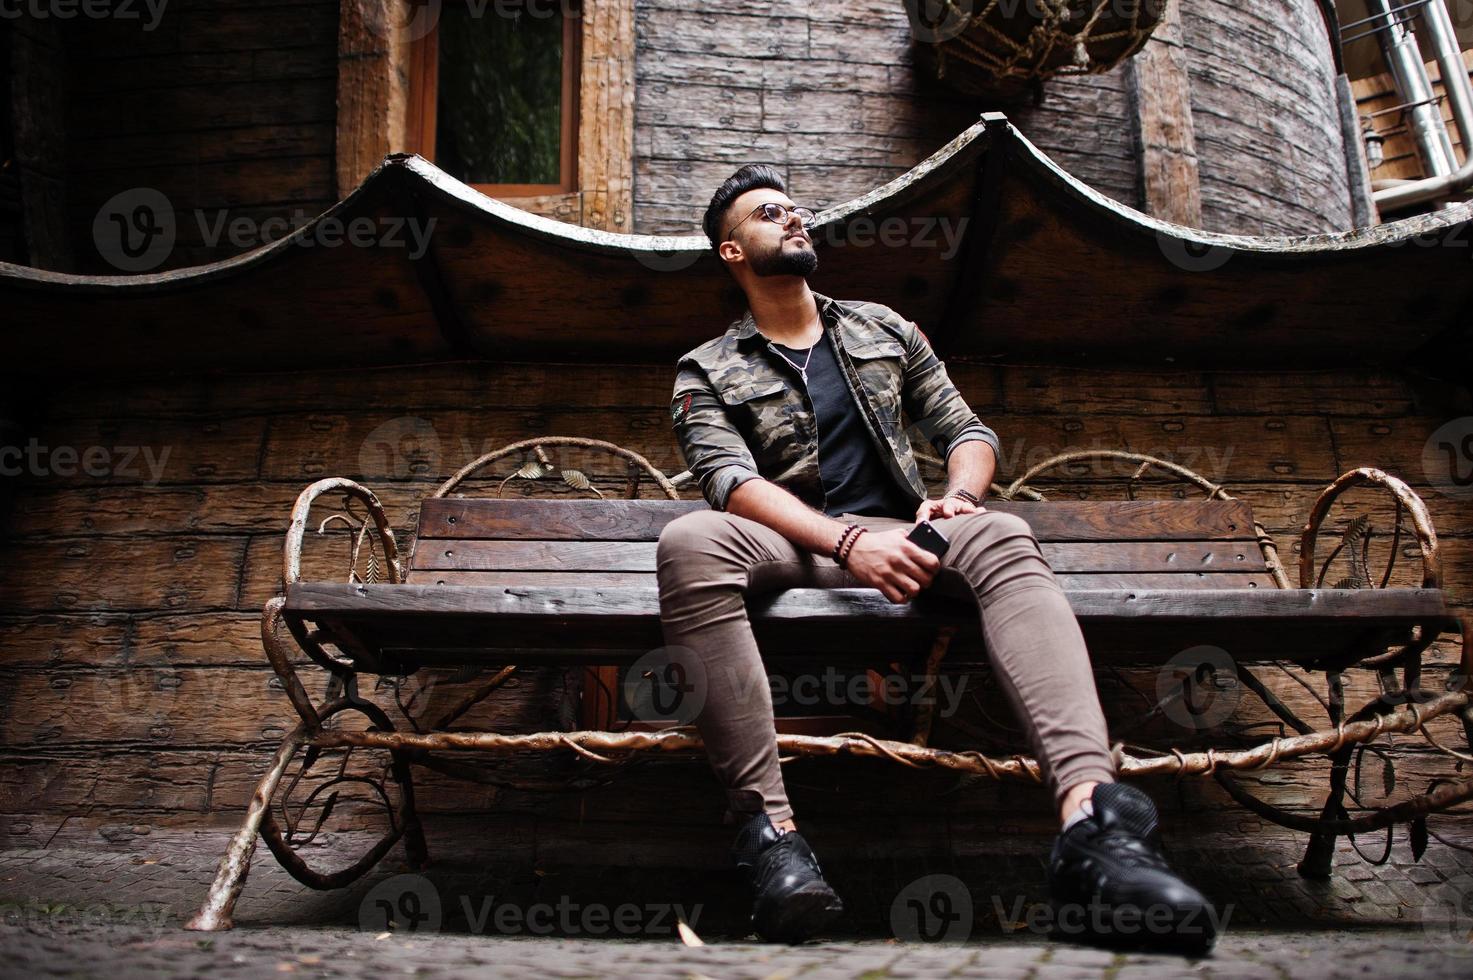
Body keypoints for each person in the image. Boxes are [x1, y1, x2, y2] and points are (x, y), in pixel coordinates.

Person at [657, 164, 1217, 952]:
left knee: (1000, 533)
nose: (793, 218)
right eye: (768, 212)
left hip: (902, 531)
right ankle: (771, 837)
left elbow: (967, 431)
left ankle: (1093, 825)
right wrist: (848, 543)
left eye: (796, 208)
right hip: (793, 541)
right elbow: (729, 482)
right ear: (729, 251)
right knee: (688, 540)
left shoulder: (883, 328)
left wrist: (956, 495)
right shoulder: (705, 368)